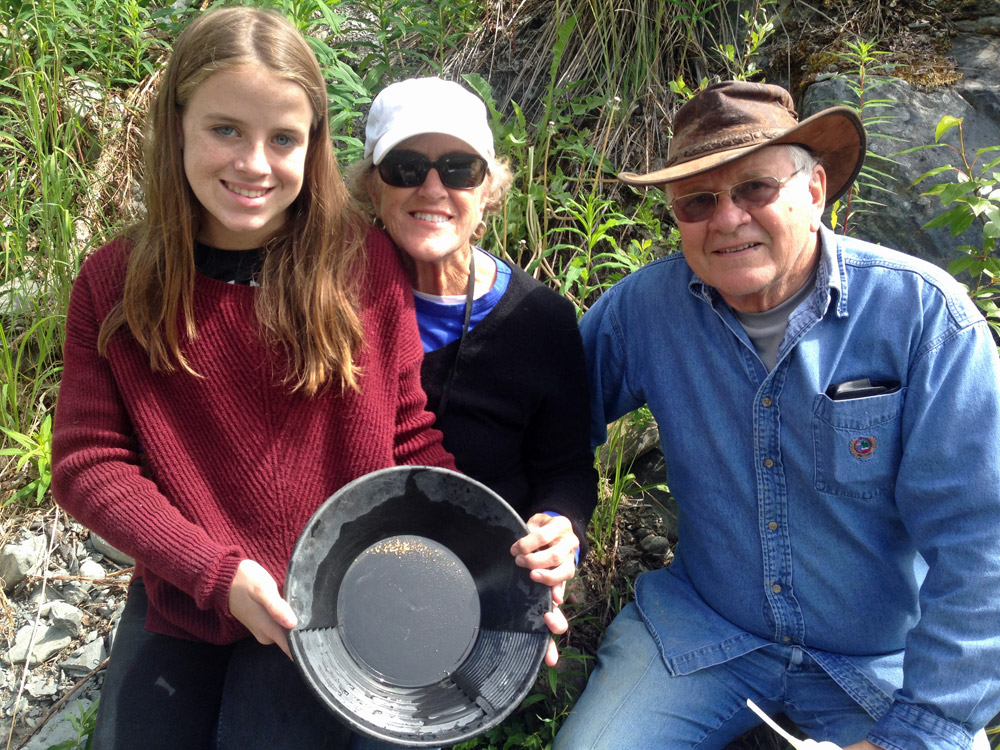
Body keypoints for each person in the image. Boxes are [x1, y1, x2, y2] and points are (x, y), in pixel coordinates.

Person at [50, 8, 454, 750]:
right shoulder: (115, 282)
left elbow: (410, 434)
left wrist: (474, 555)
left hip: (332, 601)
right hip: (190, 591)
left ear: (313, 146)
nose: (255, 164)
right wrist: (216, 574)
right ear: (177, 128)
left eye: (283, 139)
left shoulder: (361, 264)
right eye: (225, 129)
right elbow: (88, 464)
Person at [554, 81, 1000, 750]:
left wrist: (920, 729)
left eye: (756, 189)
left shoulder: (924, 318)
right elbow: (552, 426)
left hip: (879, 660)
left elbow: (982, 541)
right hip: (705, 630)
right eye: (698, 201)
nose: (728, 219)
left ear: (815, 190)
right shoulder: (644, 312)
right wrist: (550, 522)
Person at [347, 77, 598, 666]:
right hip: (352, 569)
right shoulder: (329, 302)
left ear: (488, 189)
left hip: (482, 573)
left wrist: (560, 532)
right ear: (372, 188)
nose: (432, 187)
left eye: (459, 169)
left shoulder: (541, 320)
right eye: (406, 167)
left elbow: (564, 466)